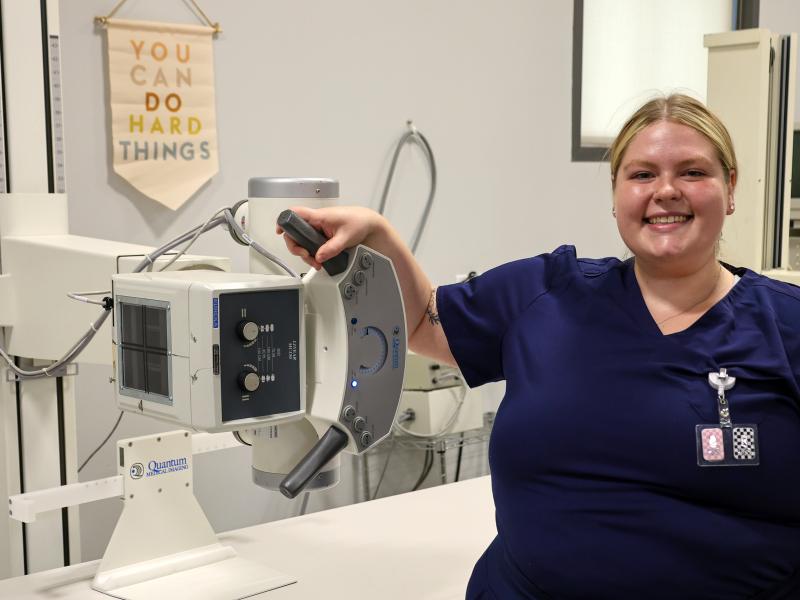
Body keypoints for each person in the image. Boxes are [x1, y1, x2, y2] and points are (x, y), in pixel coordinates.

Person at [277, 94, 800, 599]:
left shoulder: (786, 323)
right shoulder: (545, 292)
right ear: (616, 195)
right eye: (641, 174)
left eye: (692, 172)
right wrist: (381, 234)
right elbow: (424, 320)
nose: (665, 190)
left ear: (730, 188)